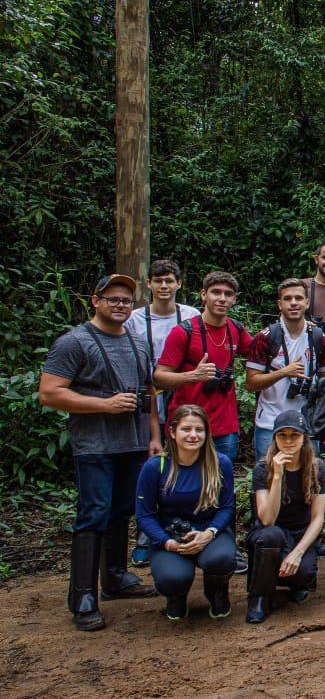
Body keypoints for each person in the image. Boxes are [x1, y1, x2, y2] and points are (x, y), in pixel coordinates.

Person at [40, 274, 160, 631]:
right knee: (93, 514)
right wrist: (103, 404)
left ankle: (115, 577)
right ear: (96, 301)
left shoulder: (139, 342)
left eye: (126, 300)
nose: (120, 305)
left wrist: (155, 436)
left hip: (134, 443)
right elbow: (50, 393)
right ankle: (82, 596)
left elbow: (149, 392)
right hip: (95, 446)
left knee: (123, 510)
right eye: (113, 299)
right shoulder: (75, 342)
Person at [123, 259, 200, 567]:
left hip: (183, 394)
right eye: (158, 281)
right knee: (153, 463)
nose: (164, 286)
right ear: (150, 285)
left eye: (169, 280)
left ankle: (186, 525)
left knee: (185, 462)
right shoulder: (135, 318)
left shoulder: (191, 315)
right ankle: (147, 533)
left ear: (179, 283)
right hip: (147, 393)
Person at [136, 405, 236, 621]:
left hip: (210, 531)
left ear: (207, 433)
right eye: (186, 429)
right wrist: (167, 542)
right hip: (170, 536)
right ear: (172, 432)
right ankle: (176, 596)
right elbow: (144, 515)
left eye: (199, 430)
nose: (193, 435)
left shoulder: (220, 463)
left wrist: (209, 533)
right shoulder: (155, 467)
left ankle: (217, 591)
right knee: (173, 578)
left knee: (221, 560)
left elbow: (227, 506)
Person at [154, 270, 253, 462]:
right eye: (216, 292)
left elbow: (263, 350)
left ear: (234, 299)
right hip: (187, 425)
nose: (222, 298)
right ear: (203, 295)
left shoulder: (236, 330)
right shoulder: (184, 332)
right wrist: (193, 376)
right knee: (183, 482)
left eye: (228, 294)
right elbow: (159, 378)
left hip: (225, 426)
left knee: (221, 483)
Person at [244, 410, 325, 623]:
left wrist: (298, 553)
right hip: (270, 534)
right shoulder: (263, 468)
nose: (288, 441)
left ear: (304, 438)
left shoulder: (316, 467)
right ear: (275, 438)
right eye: (283, 435)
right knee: (271, 535)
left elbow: (318, 517)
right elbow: (267, 520)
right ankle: (259, 596)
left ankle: (295, 583)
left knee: (304, 573)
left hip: (300, 534)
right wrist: (278, 475)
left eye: (294, 435)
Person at [245, 279, 325, 462]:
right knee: (267, 479)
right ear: (280, 304)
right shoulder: (265, 338)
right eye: (288, 298)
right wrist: (283, 372)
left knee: (308, 480)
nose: (294, 302)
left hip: (305, 423)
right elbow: (251, 383)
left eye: (299, 298)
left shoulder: (319, 337)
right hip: (270, 423)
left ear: (307, 303)